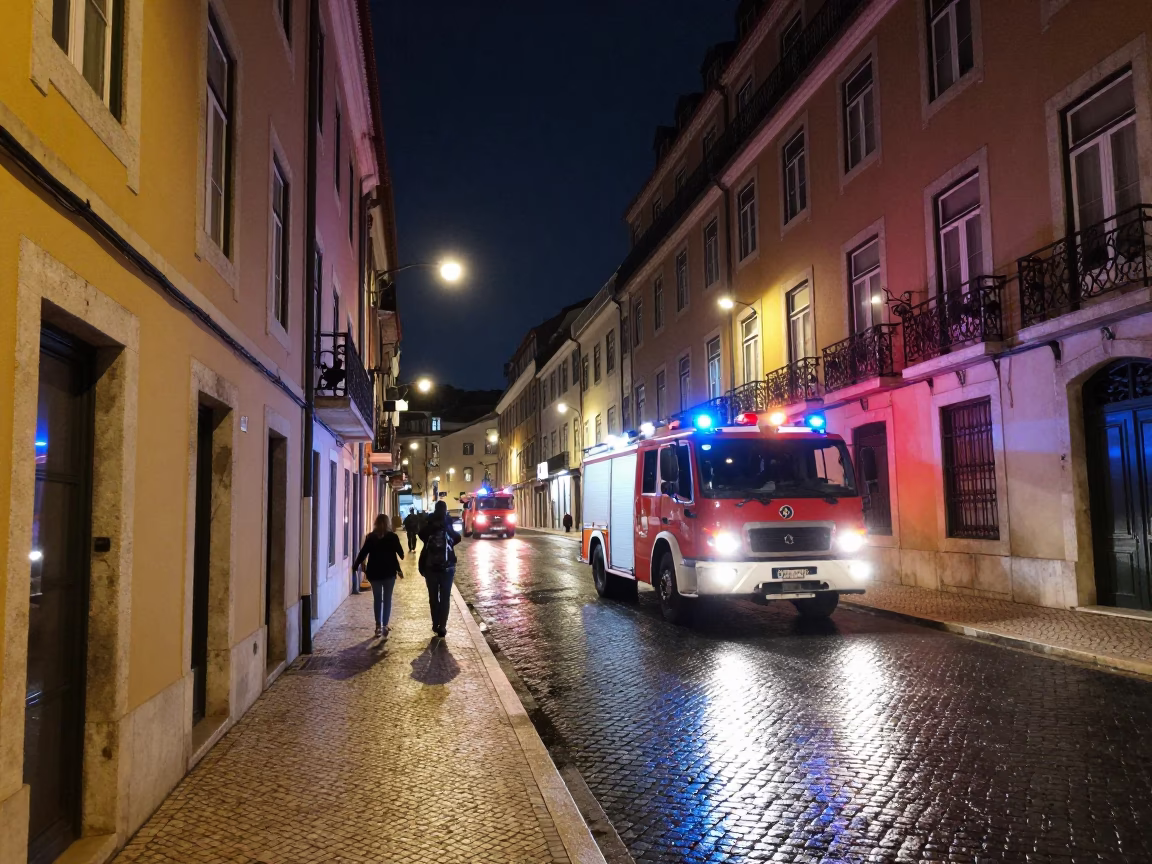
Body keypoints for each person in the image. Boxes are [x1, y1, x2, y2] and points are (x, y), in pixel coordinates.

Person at [353, 514, 405, 637]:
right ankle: (385, 625)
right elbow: (400, 554)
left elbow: (362, 553)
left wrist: (355, 566)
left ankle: (377, 626)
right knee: (387, 599)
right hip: (389, 573)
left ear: (375, 524)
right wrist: (398, 567)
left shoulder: (371, 537)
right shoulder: (392, 537)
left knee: (377, 599)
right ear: (388, 523)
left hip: (374, 573)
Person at [418, 500, 461, 637]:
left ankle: (435, 623)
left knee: (433, 597)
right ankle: (442, 626)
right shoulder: (447, 521)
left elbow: (421, 535)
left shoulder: (430, 522)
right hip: (447, 567)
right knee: (445, 597)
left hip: (430, 567)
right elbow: (457, 538)